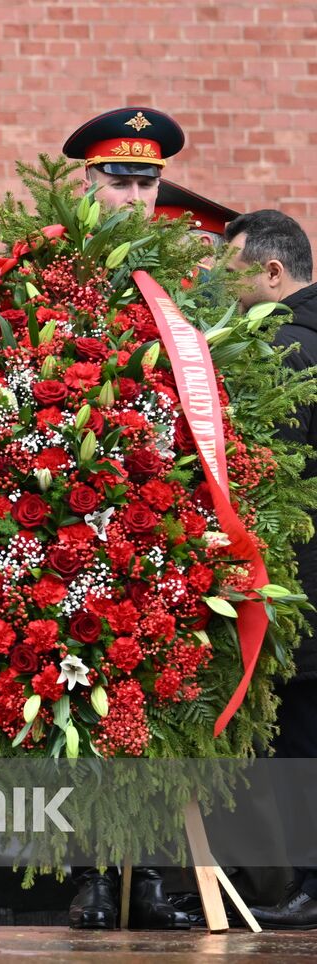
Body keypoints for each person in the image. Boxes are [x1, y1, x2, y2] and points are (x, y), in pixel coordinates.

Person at [60, 107, 194, 931]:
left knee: (160, 693)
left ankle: (149, 879)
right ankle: (91, 876)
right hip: (72, 516)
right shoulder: (58, 267)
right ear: (88, 183)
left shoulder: (190, 273)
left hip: (164, 513)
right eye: (121, 180)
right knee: (80, 698)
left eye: (148, 181)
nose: (136, 195)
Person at [225, 209, 317, 930]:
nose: (225, 286)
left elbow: (262, 474)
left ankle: (307, 887)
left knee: (297, 740)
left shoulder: (283, 348)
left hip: (298, 584)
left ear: (271, 274)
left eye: (232, 273)